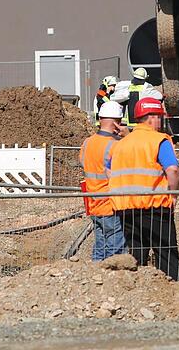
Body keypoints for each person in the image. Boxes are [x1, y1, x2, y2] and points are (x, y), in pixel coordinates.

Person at [109, 96, 179, 281]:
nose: (160, 122)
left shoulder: (120, 144)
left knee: (136, 255)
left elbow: (109, 171)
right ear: (152, 117)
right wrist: (172, 194)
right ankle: (172, 292)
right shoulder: (159, 140)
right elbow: (172, 169)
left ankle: (137, 291)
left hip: (125, 208)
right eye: (159, 117)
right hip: (155, 206)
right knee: (166, 253)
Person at [78, 100, 126, 261]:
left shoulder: (87, 143)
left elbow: (85, 166)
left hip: (93, 204)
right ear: (116, 123)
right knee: (115, 253)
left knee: (100, 249)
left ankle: (96, 279)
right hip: (111, 206)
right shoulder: (115, 145)